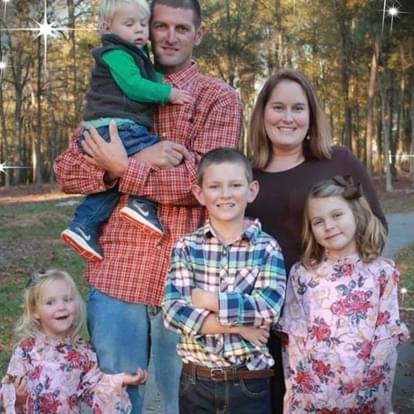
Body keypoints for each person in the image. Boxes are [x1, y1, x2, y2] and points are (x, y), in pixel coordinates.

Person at [53, 0, 243, 412]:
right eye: (161, 26)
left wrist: (123, 166)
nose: (169, 37)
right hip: (118, 274)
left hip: (190, 282)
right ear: (146, 29)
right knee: (115, 400)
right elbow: (67, 170)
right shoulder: (115, 79)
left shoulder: (218, 98)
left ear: (198, 34)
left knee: (187, 404)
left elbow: (203, 184)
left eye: (181, 28)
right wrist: (129, 163)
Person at [245, 68, 387, 414]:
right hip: (265, 324)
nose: (288, 118)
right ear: (262, 113)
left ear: (311, 115)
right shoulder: (246, 176)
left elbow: (376, 228)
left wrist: (336, 285)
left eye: (298, 108)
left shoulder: (337, 160)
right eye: (278, 107)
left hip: (335, 326)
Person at [61, 0, 193, 262]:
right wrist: (168, 93)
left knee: (111, 186)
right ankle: (140, 204)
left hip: (113, 127)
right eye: (129, 24)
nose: (139, 30)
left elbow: (149, 77)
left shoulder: (134, 54)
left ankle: (83, 226)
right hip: (115, 127)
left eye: (143, 24)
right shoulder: (116, 54)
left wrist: (121, 166)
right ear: (106, 27)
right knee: (163, 154)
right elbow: (134, 85)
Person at [162, 148, 286, 414]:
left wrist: (209, 300)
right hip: (196, 381)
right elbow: (173, 313)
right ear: (199, 193)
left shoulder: (267, 248)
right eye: (215, 186)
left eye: (235, 185)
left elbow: (268, 310)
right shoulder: (186, 247)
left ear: (251, 190)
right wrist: (239, 328)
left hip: (249, 381)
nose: (225, 194)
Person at [277, 177, 409, 412]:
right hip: (314, 396)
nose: (328, 226)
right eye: (318, 221)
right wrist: (310, 392)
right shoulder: (302, 274)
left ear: (357, 215)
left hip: (366, 394)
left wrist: (367, 392)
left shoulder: (382, 272)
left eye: (337, 215)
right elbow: (294, 339)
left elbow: (386, 339)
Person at [0, 269, 148, 414]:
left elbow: (93, 385)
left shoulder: (81, 350)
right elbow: (7, 388)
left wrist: (121, 380)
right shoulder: (26, 350)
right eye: (50, 302)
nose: (61, 307)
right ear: (35, 311)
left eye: (67, 299)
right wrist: (17, 398)